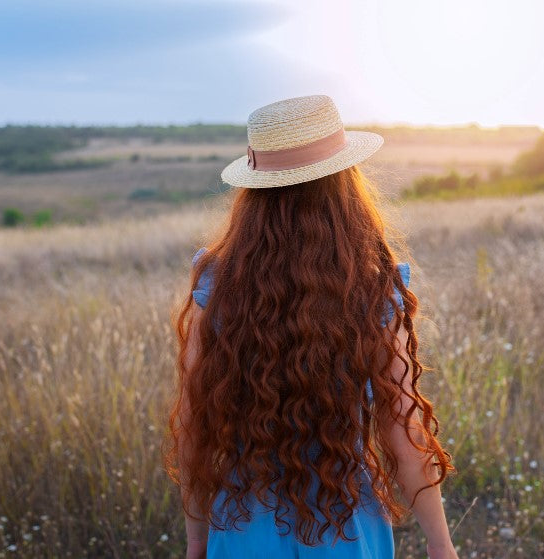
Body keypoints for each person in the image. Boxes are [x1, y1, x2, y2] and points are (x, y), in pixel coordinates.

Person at [165, 95, 457, 559]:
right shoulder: (374, 286)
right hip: (345, 523)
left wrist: (196, 544)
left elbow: (191, 425)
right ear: (347, 183)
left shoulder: (216, 281)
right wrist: (442, 548)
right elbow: (406, 435)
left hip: (242, 527)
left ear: (253, 189)